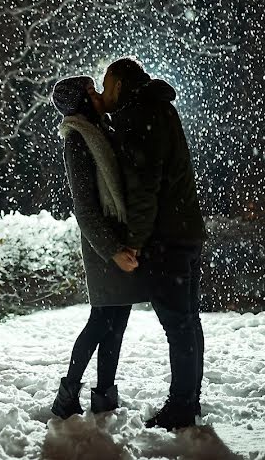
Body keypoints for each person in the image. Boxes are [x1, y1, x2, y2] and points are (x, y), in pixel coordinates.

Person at [101, 57, 207, 430]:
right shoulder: (160, 109)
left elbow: (145, 188)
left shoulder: (139, 115)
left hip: (167, 239)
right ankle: (188, 401)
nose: (102, 92)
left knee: (178, 327)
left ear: (118, 84)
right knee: (189, 323)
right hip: (187, 232)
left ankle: (181, 409)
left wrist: (134, 242)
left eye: (105, 83)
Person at [50, 75, 148, 419]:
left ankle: (105, 396)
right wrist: (111, 249)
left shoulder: (103, 131)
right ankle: (67, 396)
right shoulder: (78, 139)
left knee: (117, 320)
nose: (96, 95)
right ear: (79, 102)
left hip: (119, 238)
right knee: (101, 320)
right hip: (101, 244)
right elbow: (84, 206)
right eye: (90, 92)